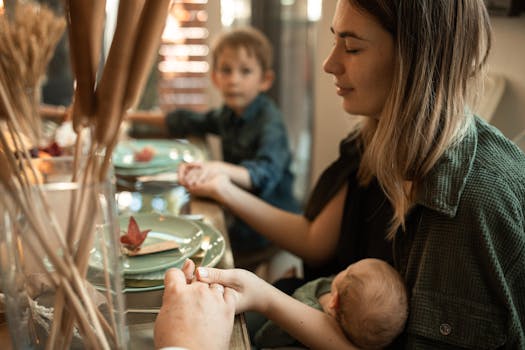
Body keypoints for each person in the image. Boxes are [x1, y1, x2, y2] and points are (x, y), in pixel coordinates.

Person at [162, 0, 525, 348]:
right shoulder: (375, 139)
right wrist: (224, 190)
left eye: (351, 48)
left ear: (416, 61)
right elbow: (315, 238)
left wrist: (264, 296)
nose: (329, 63)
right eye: (336, 39)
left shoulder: (472, 207)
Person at [135, 26, 300, 259]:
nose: (233, 80)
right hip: (240, 220)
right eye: (226, 70)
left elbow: (264, 175)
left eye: (245, 71)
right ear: (214, 77)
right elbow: (186, 121)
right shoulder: (228, 114)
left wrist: (218, 168)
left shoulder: (270, 123)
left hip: (269, 231)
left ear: (265, 80)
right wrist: (129, 116)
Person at [253, 258, 408, 349]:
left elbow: (272, 332)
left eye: (348, 270)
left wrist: (257, 340)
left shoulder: (308, 310)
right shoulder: (346, 297)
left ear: (334, 301)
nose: (345, 270)